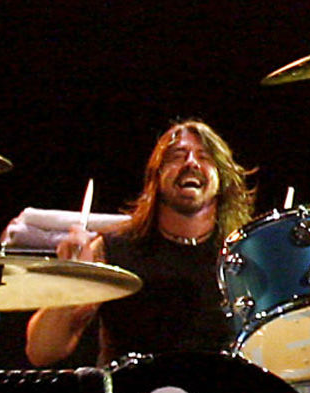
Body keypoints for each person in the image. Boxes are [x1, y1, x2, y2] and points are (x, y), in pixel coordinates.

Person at [30, 120, 256, 365]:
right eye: (176, 156)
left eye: (205, 157)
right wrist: (69, 277)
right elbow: (42, 352)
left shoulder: (242, 255)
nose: (191, 163)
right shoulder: (112, 248)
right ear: (156, 177)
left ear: (222, 178)